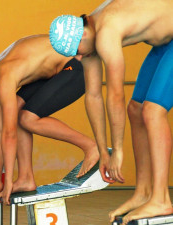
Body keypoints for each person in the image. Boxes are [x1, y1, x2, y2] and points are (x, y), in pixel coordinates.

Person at [49, 0, 173, 223]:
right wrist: (104, 152)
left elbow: (115, 94)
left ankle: (161, 198)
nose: (78, 58)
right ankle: (143, 193)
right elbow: (93, 96)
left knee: (153, 110)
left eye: (77, 52)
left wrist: (119, 151)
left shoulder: (106, 32)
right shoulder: (89, 34)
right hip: (164, 43)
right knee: (136, 109)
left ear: (82, 37)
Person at [0, 34, 99, 205]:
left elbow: (9, 135)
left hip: (78, 65)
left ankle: (91, 146)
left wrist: (8, 181)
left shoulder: (6, 77)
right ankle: (25, 178)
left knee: (28, 119)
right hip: (54, 70)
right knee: (15, 111)